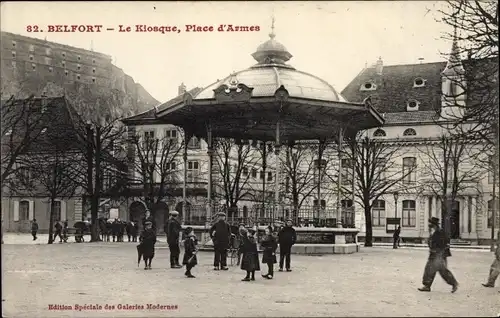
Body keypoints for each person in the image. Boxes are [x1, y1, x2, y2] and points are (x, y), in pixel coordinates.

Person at [418, 217, 459, 293]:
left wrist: (439, 251)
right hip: (434, 254)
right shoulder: (433, 231)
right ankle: (427, 286)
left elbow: (444, 242)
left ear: (434, 224)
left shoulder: (440, 232)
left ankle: (454, 283)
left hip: (439, 255)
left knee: (442, 271)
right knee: (429, 269)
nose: (428, 224)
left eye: (430, 223)